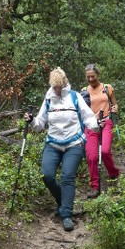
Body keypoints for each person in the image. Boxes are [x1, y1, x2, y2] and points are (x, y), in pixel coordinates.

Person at [26, 67, 100, 232]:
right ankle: (63, 200)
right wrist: (32, 121)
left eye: (59, 87)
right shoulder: (49, 97)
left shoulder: (75, 96)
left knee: (67, 176)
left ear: (64, 83)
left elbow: (88, 117)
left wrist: (97, 125)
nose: (57, 90)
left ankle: (66, 215)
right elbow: (40, 123)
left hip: (74, 144)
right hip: (53, 143)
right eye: (54, 87)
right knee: (47, 175)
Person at [82, 63, 121, 198]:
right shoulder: (84, 91)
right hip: (91, 124)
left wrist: (115, 108)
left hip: (106, 121)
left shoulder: (107, 88)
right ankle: (94, 186)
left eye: (93, 76)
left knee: (104, 151)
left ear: (98, 75)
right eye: (88, 77)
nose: (91, 79)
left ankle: (113, 173)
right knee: (92, 156)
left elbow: (115, 104)